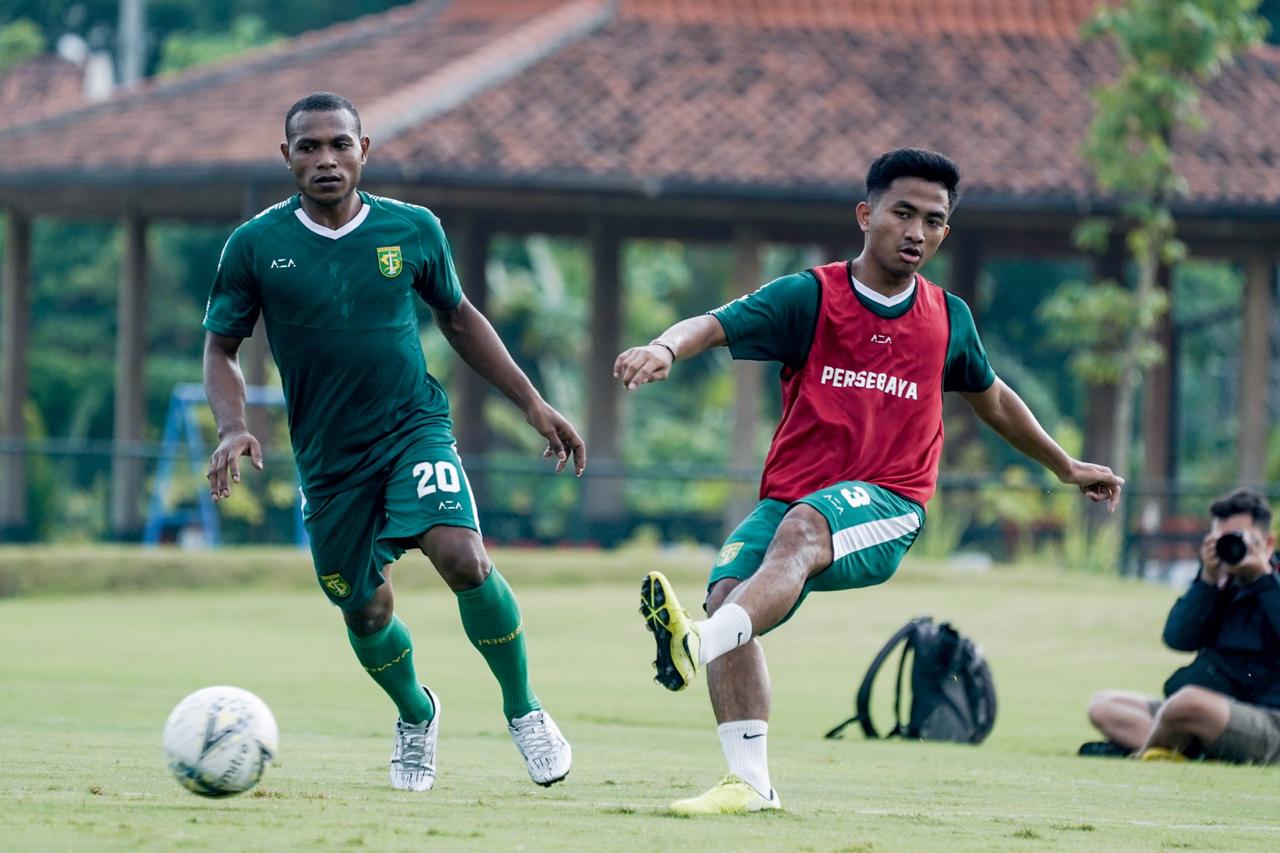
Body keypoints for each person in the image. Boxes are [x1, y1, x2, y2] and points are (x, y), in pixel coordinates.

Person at [613, 147, 1124, 815]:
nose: (917, 232)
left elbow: (993, 397)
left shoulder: (948, 318)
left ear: (945, 231)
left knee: (792, 541)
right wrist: (663, 347)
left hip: (890, 500)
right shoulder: (809, 296)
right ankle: (749, 781)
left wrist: (1066, 464)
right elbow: (712, 324)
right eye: (903, 213)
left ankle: (695, 644)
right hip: (794, 495)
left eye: (934, 221)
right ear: (866, 214)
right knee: (730, 597)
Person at [202, 92, 585, 792]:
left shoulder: (411, 229)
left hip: (413, 428)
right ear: (285, 156)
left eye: (339, 145)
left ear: (364, 150)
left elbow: (460, 317)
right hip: (330, 461)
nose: (326, 159)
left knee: (463, 557)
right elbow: (221, 347)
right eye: (309, 147)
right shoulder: (255, 246)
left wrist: (532, 402)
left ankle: (524, 709)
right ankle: (416, 713)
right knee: (364, 606)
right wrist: (232, 426)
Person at [1083, 489, 1280, 764]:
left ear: (1268, 544)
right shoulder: (1219, 587)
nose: (1233, 549)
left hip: (1268, 719)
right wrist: (1207, 581)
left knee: (1189, 702)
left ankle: (1145, 754)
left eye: (1243, 541)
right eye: (1223, 540)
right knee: (1104, 705)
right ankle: (1193, 752)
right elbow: (1177, 638)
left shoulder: (1274, 584)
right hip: (1202, 709)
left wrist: (1263, 580)